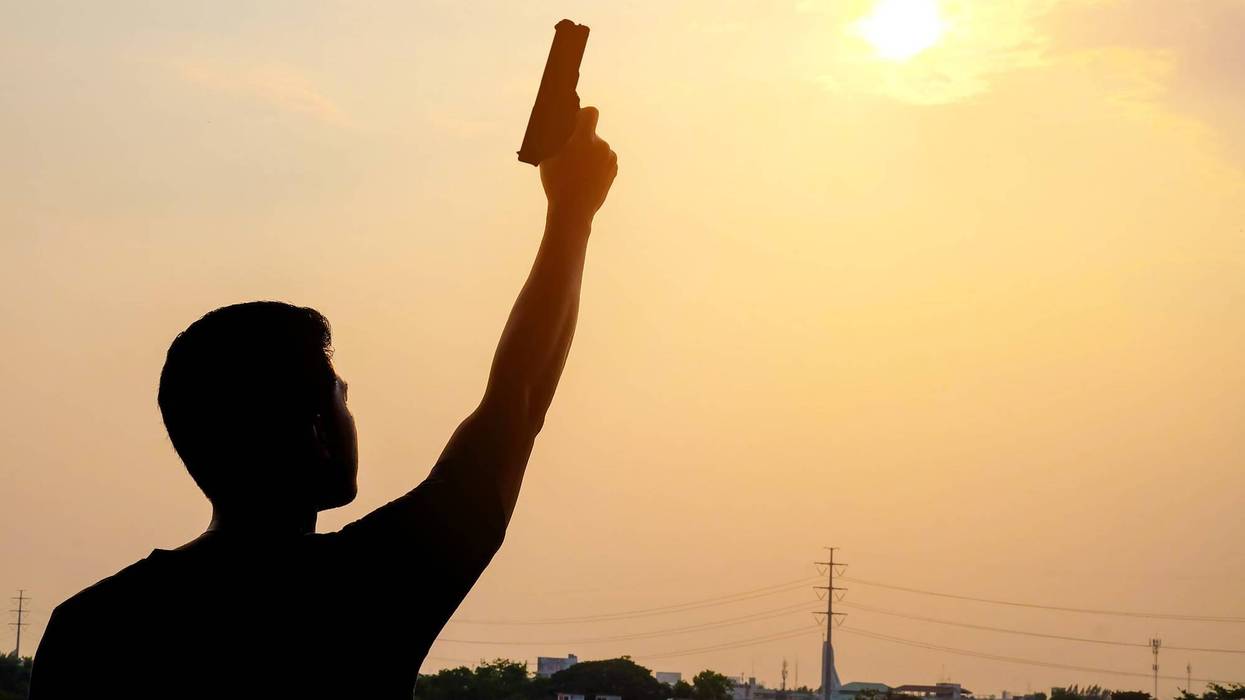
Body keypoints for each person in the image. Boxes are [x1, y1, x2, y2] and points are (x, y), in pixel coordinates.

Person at [29, 106, 617, 699]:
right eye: (341, 396)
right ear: (315, 430)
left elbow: (515, 404)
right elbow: (517, 404)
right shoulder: (372, 584)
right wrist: (571, 214)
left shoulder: (88, 626)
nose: (350, 416)